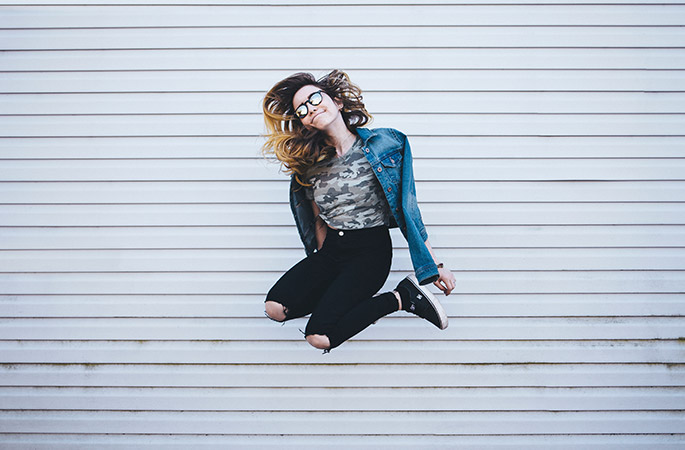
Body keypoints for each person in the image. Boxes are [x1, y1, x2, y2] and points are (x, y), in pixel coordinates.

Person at [261, 69, 456, 352]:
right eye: (302, 110)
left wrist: (433, 265)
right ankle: (346, 300)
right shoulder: (308, 165)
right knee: (275, 307)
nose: (310, 108)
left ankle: (401, 298)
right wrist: (320, 261)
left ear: (337, 102)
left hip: (370, 253)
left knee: (319, 338)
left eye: (314, 98)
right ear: (304, 123)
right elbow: (315, 217)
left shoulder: (386, 145)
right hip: (332, 251)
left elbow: (408, 209)